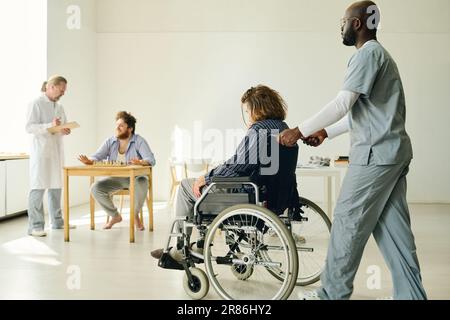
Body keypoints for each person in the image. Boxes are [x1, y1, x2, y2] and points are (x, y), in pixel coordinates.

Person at [279, 1, 427, 300]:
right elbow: (364, 112)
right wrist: (326, 132)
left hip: (374, 157)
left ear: (357, 24)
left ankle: (331, 296)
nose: (341, 27)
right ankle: (411, 296)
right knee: (394, 232)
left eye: (344, 21)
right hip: (393, 156)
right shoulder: (382, 57)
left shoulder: (367, 55)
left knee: (347, 223)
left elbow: (342, 103)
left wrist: (299, 129)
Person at [151, 84, 295, 259]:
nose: (247, 116)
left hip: (247, 196)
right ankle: (200, 243)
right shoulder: (284, 128)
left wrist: (207, 176)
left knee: (185, 186)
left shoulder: (258, 131)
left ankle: (180, 248)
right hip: (275, 197)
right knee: (206, 184)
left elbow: (238, 167)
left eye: (248, 111)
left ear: (257, 110)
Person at [78, 111, 155, 230]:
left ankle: (134, 215)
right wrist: (89, 160)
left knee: (142, 183)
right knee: (95, 188)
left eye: (121, 126)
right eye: (116, 125)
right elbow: (97, 156)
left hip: (136, 178)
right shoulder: (110, 141)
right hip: (117, 179)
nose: (117, 128)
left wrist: (141, 162)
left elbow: (151, 160)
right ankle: (115, 216)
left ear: (130, 129)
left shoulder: (139, 141)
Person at [26, 75, 74, 237]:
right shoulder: (36, 103)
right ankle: (35, 226)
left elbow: (61, 126)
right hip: (41, 152)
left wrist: (64, 130)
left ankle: (57, 222)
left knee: (56, 187)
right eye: (61, 90)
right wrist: (50, 126)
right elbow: (29, 127)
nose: (63, 93)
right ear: (51, 87)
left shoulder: (59, 106)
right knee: (38, 188)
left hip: (56, 151)